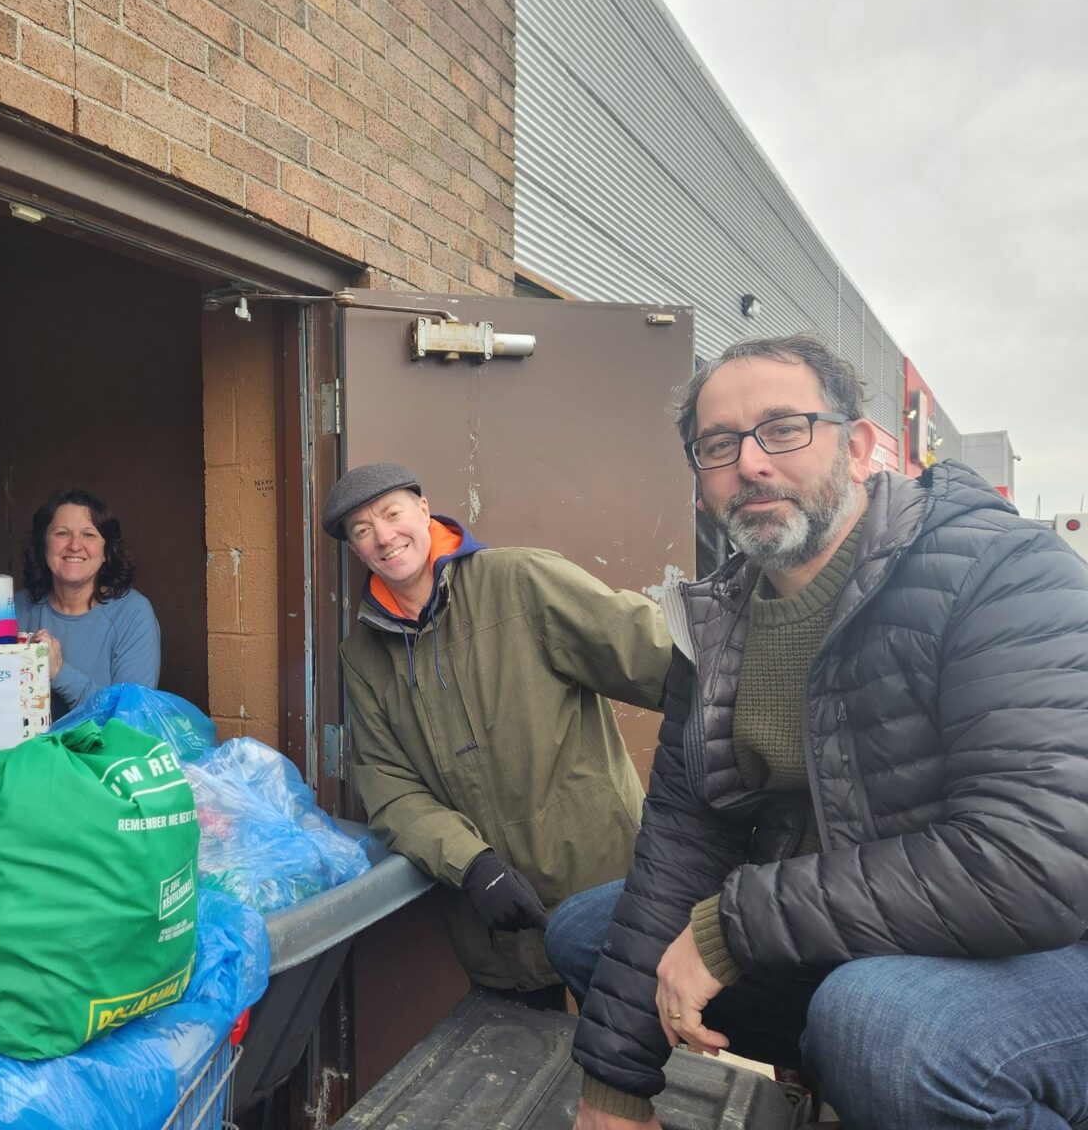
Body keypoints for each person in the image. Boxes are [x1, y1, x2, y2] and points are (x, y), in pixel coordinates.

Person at [548, 335, 1088, 1130]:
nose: (752, 463)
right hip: (874, 925)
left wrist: (732, 925)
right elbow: (681, 842)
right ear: (702, 481)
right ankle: (840, 1079)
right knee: (589, 934)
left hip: (1049, 944)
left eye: (785, 428)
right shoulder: (716, 621)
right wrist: (615, 1094)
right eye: (720, 444)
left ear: (862, 446)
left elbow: (1033, 863)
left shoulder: (1001, 573)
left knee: (884, 1030)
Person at [323, 462, 673, 1007]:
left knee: (638, 1050)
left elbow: (651, 655)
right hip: (492, 914)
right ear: (354, 549)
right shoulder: (363, 655)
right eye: (362, 531)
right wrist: (471, 865)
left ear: (423, 509)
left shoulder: (520, 580)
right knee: (523, 1070)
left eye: (392, 514)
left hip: (603, 878)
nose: (384, 537)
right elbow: (389, 787)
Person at [15, 489, 160, 718]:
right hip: (27, 751)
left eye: (89, 535)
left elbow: (130, 718)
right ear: (44, 545)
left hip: (99, 752)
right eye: (62, 533)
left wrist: (59, 673)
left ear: (106, 552)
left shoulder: (132, 613)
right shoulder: (17, 608)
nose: (74, 546)